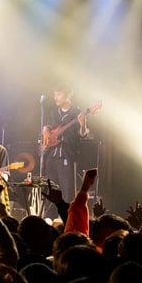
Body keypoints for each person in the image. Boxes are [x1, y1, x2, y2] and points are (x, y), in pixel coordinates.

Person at [41, 88, 92, 219]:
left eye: (59, 94)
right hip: (52, 155)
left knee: (67, 192)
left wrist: (83, 124)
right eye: (54, 94)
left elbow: (82, 134)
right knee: (50, 189)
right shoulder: (54, 112)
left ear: (69, 95)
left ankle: (67, 220)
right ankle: (49, 219)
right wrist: (46, 128)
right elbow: (51, 128)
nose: (55, 97)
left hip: (67, 155)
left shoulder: (77, 112)